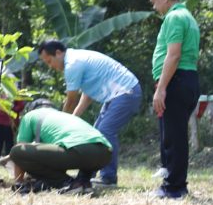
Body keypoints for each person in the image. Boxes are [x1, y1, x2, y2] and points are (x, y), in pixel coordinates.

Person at [36, 40, 142, 187]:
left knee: (105, 131)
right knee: (94, 135)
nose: (50, 66)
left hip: (126, 92)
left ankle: (108, 178)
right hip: (116, 95)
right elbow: (88, 95)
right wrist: (73, 118)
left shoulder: (72, 64)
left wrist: (60, 122)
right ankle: (86, 176)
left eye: (49, 61)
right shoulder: (76, 58)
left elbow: (71, 99)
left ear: (58, 53)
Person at [148, 0, 200, 199]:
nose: (153, 6)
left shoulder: (175, 17)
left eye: (154, 1)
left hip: (176, 81)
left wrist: (161, 88)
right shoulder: (186, 16)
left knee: (174, 135)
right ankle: (171, 179)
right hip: (184, 80)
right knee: (173, 133)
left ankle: (174, 187)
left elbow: (174, 54)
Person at [8, 99, 112, 194]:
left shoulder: (30, 115)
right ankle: (83, 182)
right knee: (81, 153)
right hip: (105, 153)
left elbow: (21, 147)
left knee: (17, 152)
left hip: (79, 150)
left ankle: (68, 183)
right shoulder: (64, 116)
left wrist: (19, 182)